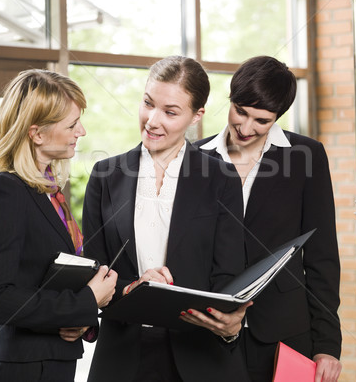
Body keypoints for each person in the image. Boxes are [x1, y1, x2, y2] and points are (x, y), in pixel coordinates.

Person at [82, 55, 251, 382]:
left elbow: (228, 274)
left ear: (196, 116)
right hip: (122, 357)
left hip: (200, 357)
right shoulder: (105, 175)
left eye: (170, 112)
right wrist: (134, 290)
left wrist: (230, 323)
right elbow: (95, 270)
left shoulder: (221, 178)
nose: (152, 120)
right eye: (148, 103)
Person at [195, 56, 342, 382]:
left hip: (285, 332)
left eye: (261, 120)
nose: (246, 128)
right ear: (230, 100)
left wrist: (328, 343)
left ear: (278, 117)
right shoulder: (195, 157)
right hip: (209, 329)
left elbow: (322, 256)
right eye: (241, 112)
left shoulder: (306, 155)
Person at [0, 69, 117, 381]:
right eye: (72, 124)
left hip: (50, 365)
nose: (83, 132)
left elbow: (41, 281)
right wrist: (86, 301)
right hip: (22, 370)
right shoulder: (5, 192)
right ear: (36, 134)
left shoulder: (49, 191)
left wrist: (82, 314)